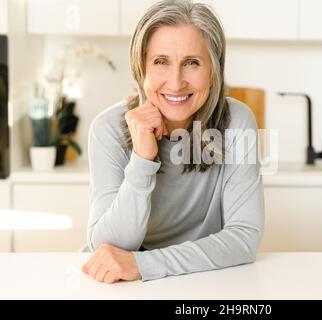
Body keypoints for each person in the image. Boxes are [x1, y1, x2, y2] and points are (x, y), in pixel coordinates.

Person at [82, 0, 265, 283]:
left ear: (214, 69)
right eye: (161, 62)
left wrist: (144, 265)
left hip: (198, 282)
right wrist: (142, 160)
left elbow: (244, 238)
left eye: (192, 63)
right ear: (141, 68)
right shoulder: (108, 129)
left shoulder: (237, 122)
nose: (176, 82)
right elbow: (108, 248)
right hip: (122, 287)